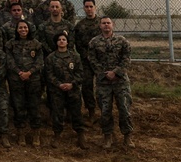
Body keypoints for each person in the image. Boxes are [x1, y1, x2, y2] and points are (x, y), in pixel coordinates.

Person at [88, 17, 134, 150]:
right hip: (103, 82)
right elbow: (92, 60)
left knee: (125, 109)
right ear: (100, 25)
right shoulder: (94, 42)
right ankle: (107, 136)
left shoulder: (122, 41)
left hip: (120, 81)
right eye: (103, 23)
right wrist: (104, 74)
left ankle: (127, 136)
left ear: (112, 25)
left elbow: (126, 58)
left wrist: (115, 72)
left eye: (108, 23)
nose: (106, 25)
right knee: (105, 111)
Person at [46, 32, 88, 149]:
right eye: (59, 39)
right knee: (57, 113)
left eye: (64, 39)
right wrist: (59, 84)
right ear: (56, 42)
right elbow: (49, 74)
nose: (61, 41)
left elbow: (80, 73)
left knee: (76, 113)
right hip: (57, 91)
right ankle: (57, 135)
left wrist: (72, 84)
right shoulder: (51, 57)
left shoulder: (75, 56)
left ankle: (80, 135)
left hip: (73, 90)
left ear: (67, 42)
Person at [6, 20, 44, 146]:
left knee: (34, 106)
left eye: (25, 27)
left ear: (29, 29)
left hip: (33, 80)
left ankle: (36, 134)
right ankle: (21, 134)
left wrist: (29, 72)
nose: (23, 29)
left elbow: (39, 62)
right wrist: (19, 73)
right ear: (17, 30)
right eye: (20, 27)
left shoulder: (36, 44)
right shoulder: (11, 44)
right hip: (16, 80)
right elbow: (9, 61)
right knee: (18, 106)